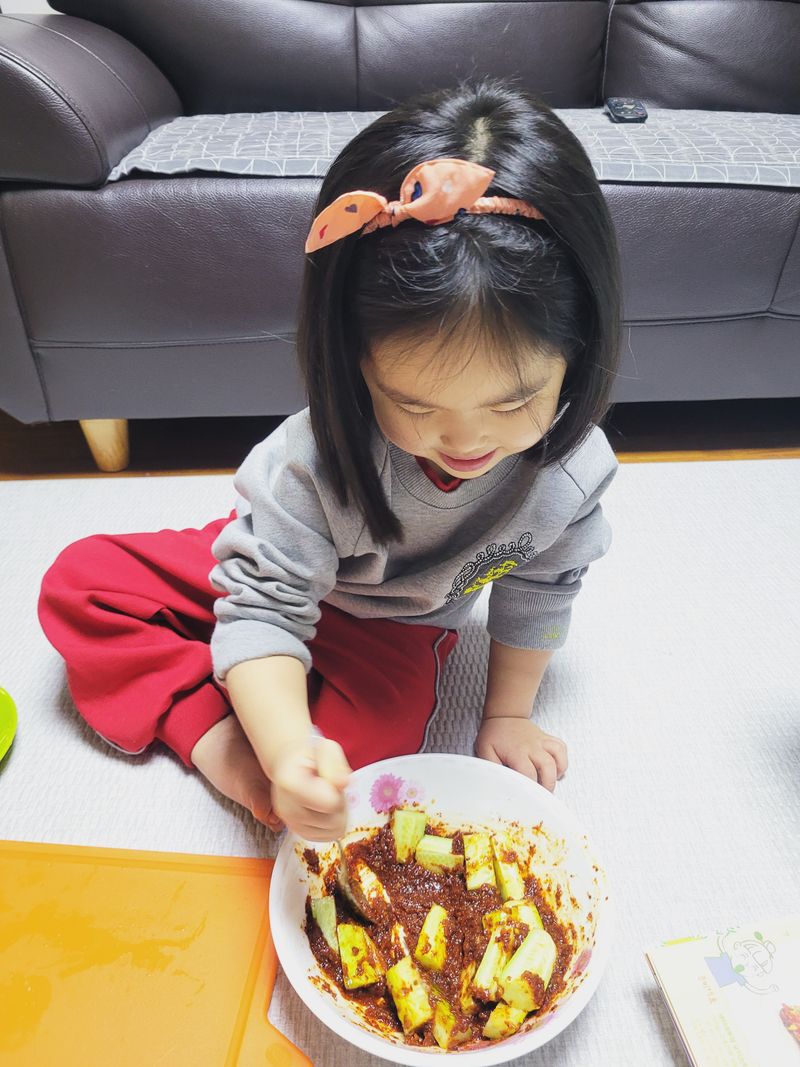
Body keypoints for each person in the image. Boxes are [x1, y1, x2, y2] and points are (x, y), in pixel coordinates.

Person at [38, 75, 623, 843]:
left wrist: (508, 714)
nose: (466, 441)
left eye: (513, 403)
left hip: (396, 625)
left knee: (370, 768)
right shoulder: (307, 464)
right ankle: (214, 739)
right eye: (416, 406)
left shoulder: (571, 475)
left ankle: (249, 715)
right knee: (83, 580)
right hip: (283, 568)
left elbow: (542, 586)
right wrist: (278, 748)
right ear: (352, 363)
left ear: (578, 353)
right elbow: (263, 605)